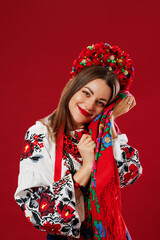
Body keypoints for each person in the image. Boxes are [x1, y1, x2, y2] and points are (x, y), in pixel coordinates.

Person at [14, 42, 143, 240]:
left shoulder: (102, 136)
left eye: (101, 103)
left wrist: (108, 120)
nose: (89, 105)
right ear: (72, 87)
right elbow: (40, 212)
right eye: (86, 93)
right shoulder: (41, 134)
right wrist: (87, 166)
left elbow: (128, 173)